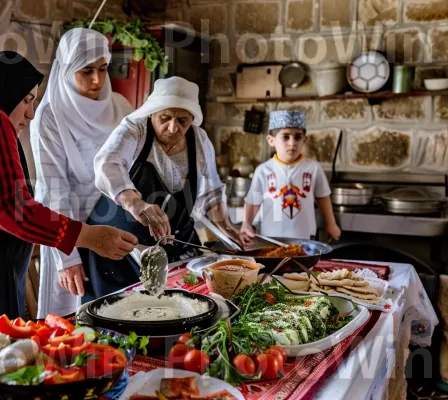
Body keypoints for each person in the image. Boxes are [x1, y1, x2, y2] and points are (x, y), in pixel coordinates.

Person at [0, 51, 137, 378]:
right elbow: (10, 208)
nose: (30, 114)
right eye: (26, 100)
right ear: (5, 92)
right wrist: (88, 237)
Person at [85, 76, 241, 301]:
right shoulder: (134, 130)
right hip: (122, 246)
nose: (173, 127)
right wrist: (136, 203)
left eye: (182, 121)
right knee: (124, 313)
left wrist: (225, 225)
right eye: (165, 118)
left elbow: (212, 190)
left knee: (186, 303)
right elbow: (106, 165)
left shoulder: (199, 140)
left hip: (175, 242)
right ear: (152, 112)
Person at [31, 28, 133, 316]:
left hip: (116, 228)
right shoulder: (50, 117)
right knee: (79, 322)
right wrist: (68, 257)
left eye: (102, 69)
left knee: (123, 312)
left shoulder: (121, 108)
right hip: (70, 229)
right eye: (86, 71)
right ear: (67, 68)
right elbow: (55, 191)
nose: (97, 80)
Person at [239, 110, 341, 244]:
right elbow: (253, 201)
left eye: (298, 137)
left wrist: (331, 224)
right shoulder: (263, 170)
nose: (292, 143)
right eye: (285, 137)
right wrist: (246, 223)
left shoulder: (313, 168)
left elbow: (323, 197)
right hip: (270, 237)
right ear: (271, 140)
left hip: (305, 237)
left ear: (305, 139)